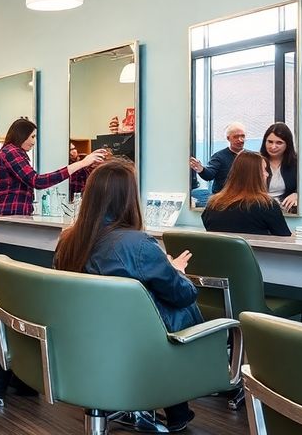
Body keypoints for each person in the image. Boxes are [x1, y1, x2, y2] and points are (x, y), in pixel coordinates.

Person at [53, 159, 201, 432]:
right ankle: (178, 403)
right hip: (133, 341)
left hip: (85, 335)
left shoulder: (68, 240)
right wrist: (175, 270)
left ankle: (176, 408)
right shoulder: (140, 244)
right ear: (129, 198)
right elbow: (183, 296)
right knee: (181, 310)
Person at [0, 119, 104, 216]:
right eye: (32, 136)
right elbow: (37, 181)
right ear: (22, 135)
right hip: (11, 214)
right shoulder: (12, 152)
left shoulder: (7, 152)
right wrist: (82, 163)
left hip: (9, 213)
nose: (34, 142)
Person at [201, 152, 291, 236]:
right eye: (264, 170)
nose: (267, 174)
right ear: (254, 175)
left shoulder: (212, 204)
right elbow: (285, 238)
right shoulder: (266, 205)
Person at [190, 122, 245, 194]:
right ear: (228, 138)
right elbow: (209, 175)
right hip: (223, 200)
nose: (240, 140)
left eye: (242, 136)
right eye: (236, 137)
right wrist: (201, 169)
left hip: (246, 199)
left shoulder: (252, 157)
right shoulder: (219, 157)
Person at [260, 122, 298, 213]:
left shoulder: (297, 163)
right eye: (270, 142)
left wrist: (298, 194)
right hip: (259, 210)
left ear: (287, 144)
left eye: (279, 143)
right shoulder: (255, 161)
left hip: (286, 211)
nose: (273, 147)